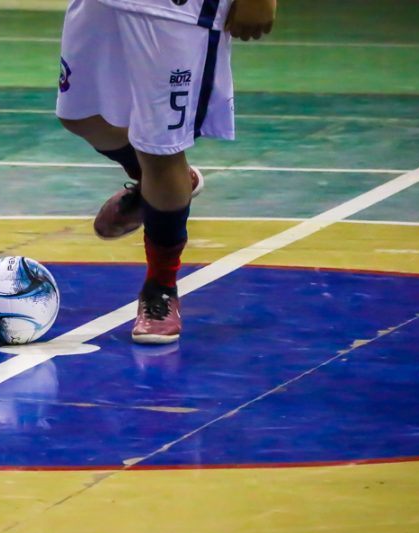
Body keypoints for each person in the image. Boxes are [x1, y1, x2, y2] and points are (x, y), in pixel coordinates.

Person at [56, 0, 276, 344]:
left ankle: (160, 289)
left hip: (175, 9)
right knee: (81, 117)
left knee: (160, 150)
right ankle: (157, 188)